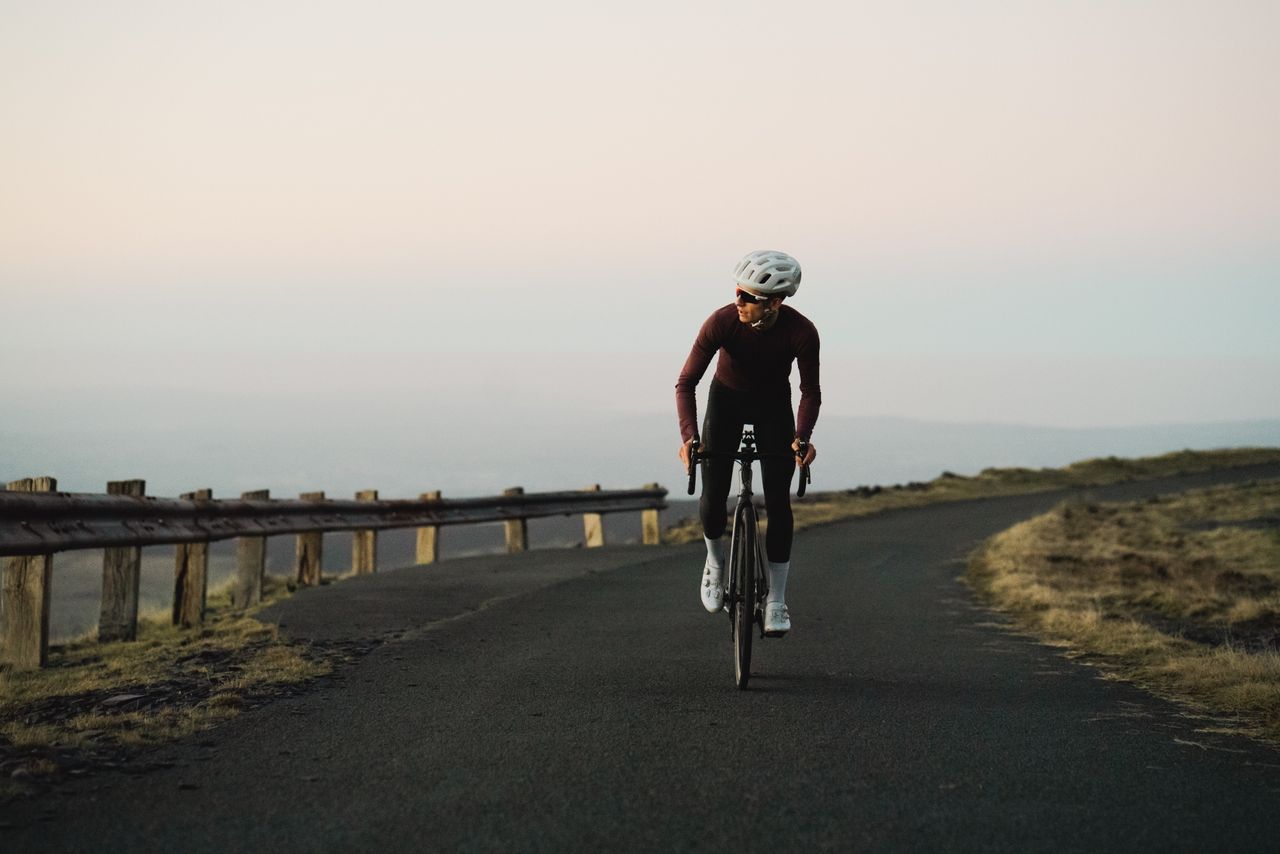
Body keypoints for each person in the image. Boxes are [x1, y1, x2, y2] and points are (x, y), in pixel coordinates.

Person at [675, 249, 821, 636]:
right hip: (726, 401)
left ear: (774, 303)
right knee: (713, 490)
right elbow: (686, 383)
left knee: (778, 501)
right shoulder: (722, 322)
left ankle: (776, 600)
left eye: (748, 297)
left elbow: (810, 392)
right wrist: (689, 437)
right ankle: (715, 565)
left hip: (775, 406)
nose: (737, 301)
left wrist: (802, 438)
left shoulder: (801, 332)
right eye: (737, 291)